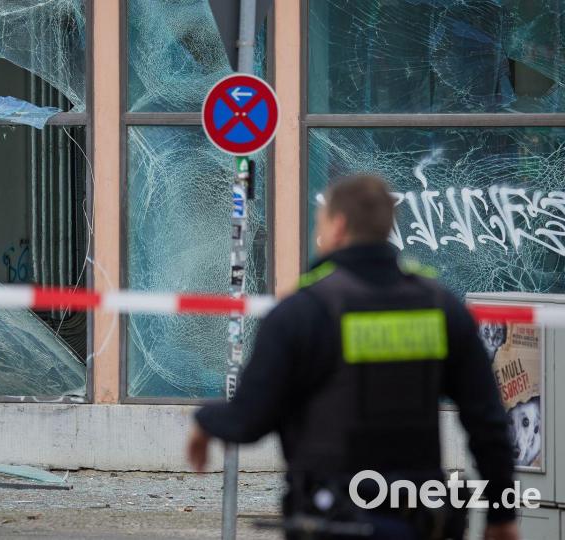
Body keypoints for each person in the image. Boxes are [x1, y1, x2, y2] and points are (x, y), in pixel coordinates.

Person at [187, 175, 519, 540]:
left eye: (321, 221)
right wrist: (502, 514)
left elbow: (249, 419)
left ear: (339, 226)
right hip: (420, 517)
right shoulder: (441, 307)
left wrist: (205, 422)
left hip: (334, 517)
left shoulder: (303, 312)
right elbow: (487, 420)